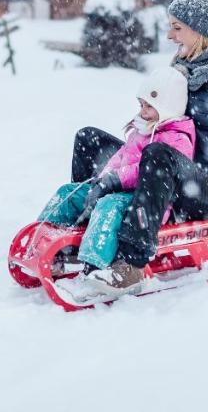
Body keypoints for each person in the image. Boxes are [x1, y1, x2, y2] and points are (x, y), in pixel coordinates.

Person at [75, 0, 208, 295]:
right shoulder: (183, 71)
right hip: (162, 174)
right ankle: (87, 232)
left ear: (200, 31)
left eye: (177, 28)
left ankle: (130, 265)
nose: (170, 37)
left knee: (158, 154)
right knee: (89, 139)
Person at [35, 67, 194, 276]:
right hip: (119, 187)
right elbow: (121, 156)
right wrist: (102, 180)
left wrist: (115, 180)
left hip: (145, 200)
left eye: (150, 106)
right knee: (69, 192)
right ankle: (41, 242)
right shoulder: (142, 129)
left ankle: (95, 264)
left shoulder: (178, 139)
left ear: (168, 107)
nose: (143, 111)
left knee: (108, 205)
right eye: (142, 105)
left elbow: (147, 170)